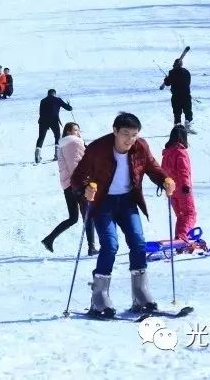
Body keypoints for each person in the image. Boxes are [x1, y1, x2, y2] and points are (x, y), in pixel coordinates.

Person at [70, 112, 175, 317]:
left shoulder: (141, 147)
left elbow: (153, 168)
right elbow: (77, 178)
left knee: (138, 242)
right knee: (110, 245)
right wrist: (85, 189)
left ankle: (140, 295)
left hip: (127, 201)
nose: (130, 139)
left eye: (134, 134)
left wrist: (165, 180)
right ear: (115, 131)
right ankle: (99, 298)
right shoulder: (98, 149)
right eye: (125, 133)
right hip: (103, 203)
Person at [42, 123, 95, 255]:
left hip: (68, 184)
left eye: (78, 129)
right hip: (77, 184)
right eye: (75, 130)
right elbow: (76, 165)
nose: (78, 132)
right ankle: (91, 247)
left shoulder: (64, 143)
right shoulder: (73, 142)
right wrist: (85, 182)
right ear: (68, 131)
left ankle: (49, 239)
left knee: (73, 218)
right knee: (88, 215)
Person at [160, 125, 196, 240]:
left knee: (181, 216)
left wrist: (164, 184)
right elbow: (183, 170)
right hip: (182, 189)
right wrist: (186, 185)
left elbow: (163, 170)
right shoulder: (180, 152)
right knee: (189, 214)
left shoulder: (166, 153)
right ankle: (182, 237)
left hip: (172, 191)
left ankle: (179, 239)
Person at [35, 89, 72, 163]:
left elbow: (41, 112)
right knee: (57, 136)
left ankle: (37, 154)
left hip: (43, 120)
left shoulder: (42, 100)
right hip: (54, 120)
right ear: (54, 94)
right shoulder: (58, 99)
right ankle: (56, 154)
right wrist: (69, 105)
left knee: (41, 137)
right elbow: (69, 108)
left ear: (48, 94)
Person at [159, 59, 194, 133]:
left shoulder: (172, 73)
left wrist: (167, 79)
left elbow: (168, 83)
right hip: (186, 95)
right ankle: (187, 127)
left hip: (176, 96)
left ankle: (177, 129)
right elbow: (188, 82)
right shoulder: (186, 72)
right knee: (188, 111)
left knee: (177, 113)